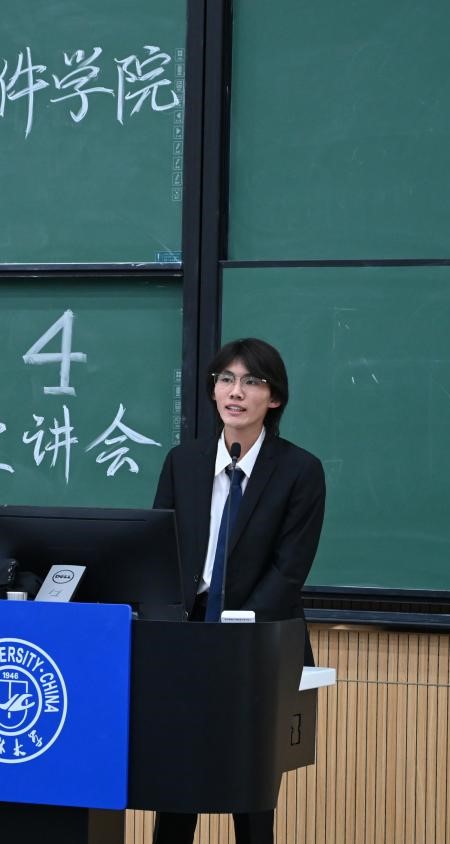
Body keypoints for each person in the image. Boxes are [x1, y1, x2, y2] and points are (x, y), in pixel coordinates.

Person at [150, 337, 326, 844]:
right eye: (225, 379)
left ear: (274, 398)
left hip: (259, 642)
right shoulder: (183, 462)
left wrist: (236, 632)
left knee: (250, 797)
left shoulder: (299, 470)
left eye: (252, 381)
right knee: (176, 788)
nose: (235, 392)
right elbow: (159, 550)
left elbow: (289, 571)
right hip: (186, 638)